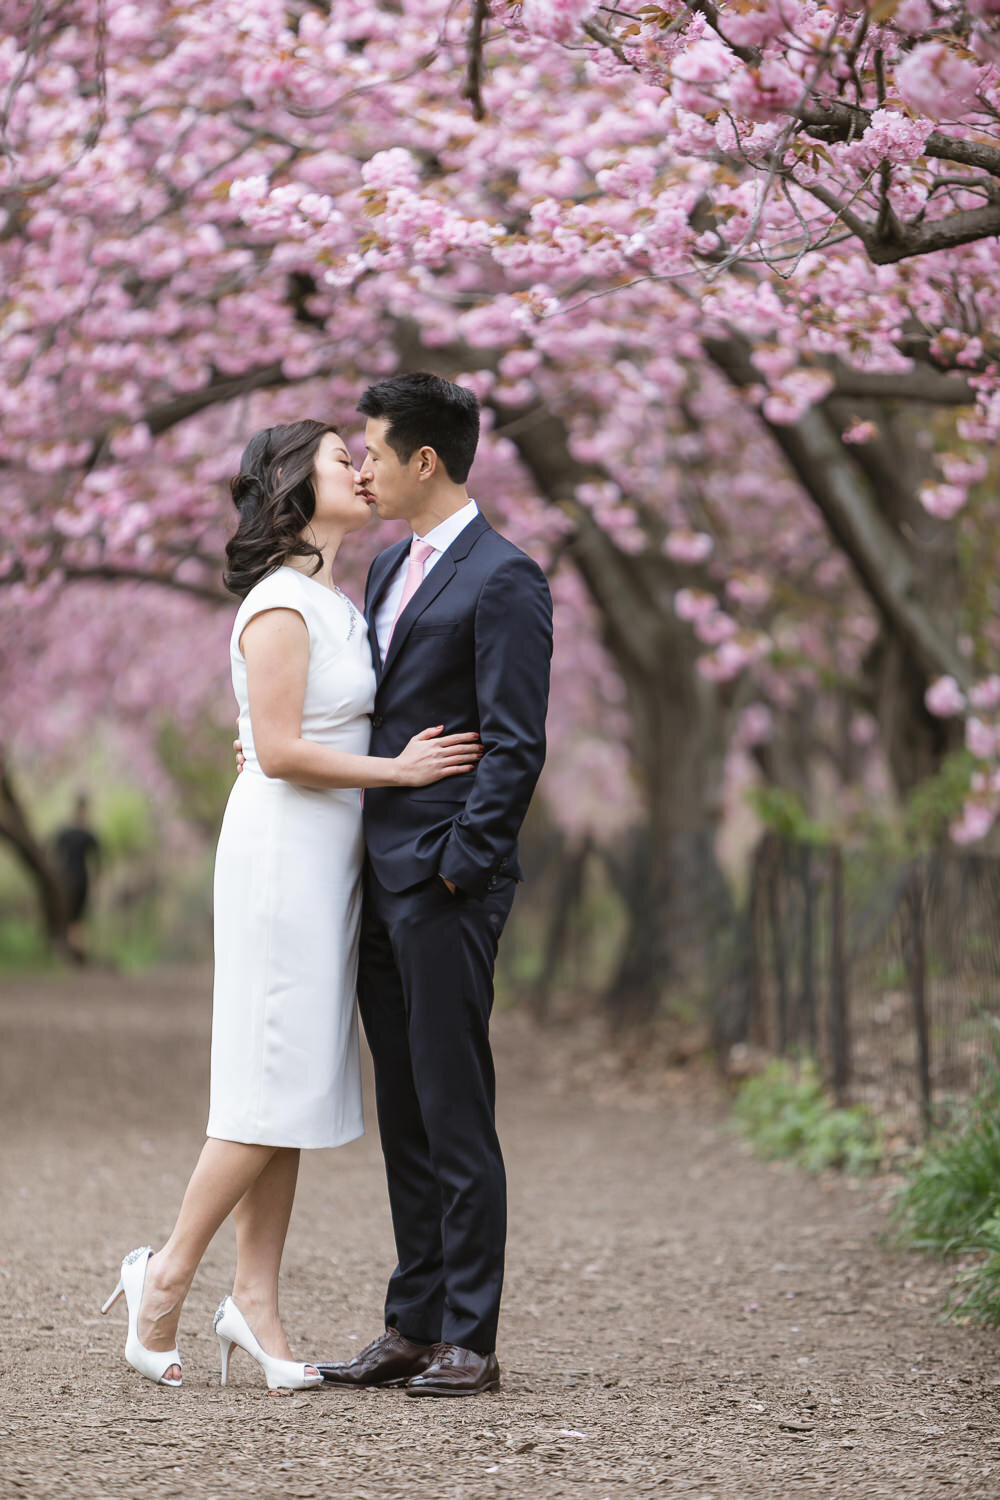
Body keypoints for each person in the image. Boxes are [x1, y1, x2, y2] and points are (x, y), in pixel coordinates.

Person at [102, 419, 482, 1392]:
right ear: (291, 491)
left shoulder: (335, 597)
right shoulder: (280, 601)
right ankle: (165, 1275)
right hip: (282, 861)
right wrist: (394, 772)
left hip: (329, 858)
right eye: (336, 462)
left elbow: (290, 730)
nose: (360, 470)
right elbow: (276, 750)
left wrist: (350, 766)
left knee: (298, 1085)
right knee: (268, 1083)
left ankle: (257, 1306)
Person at [315, 373, 553, 1397]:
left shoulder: (505, 578)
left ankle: (471, 1335)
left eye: (370, 450)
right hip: (376, 879)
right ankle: (411, 1322)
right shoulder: (383, 568)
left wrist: (461, 866)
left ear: (424, 460)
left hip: (445, 885)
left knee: (455, 1108)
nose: (360, 467)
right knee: (405, 1111)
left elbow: (514, 743)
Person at [54, 792, 100, 962]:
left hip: (76, 879)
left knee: (76, 918)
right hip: (71, 879)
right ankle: (75, 953)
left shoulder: (84, 834)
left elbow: (97, 861)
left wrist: (96, 882)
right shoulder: (69, 833)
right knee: (74, 918)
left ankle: (76, 954)